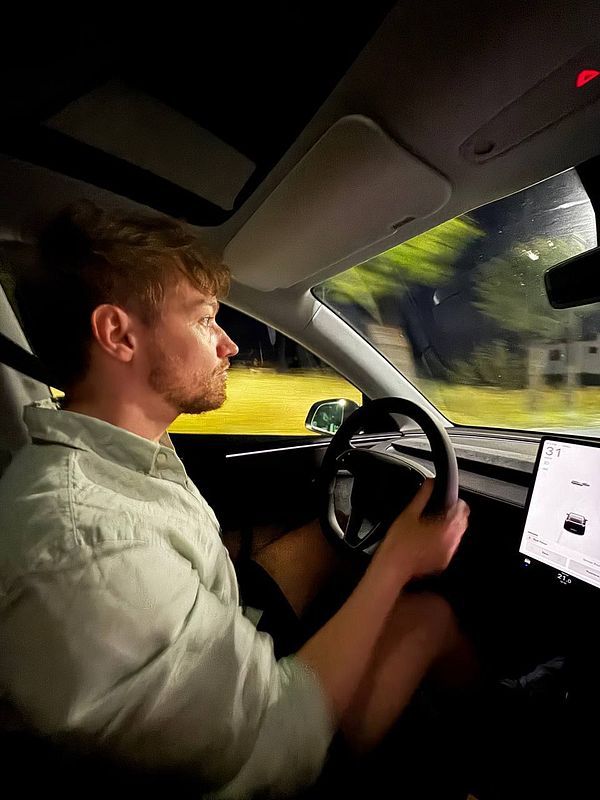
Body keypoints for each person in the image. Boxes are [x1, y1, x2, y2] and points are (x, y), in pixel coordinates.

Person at [0, 201, 473, 798]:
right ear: (118, 334)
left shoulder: (121, 449)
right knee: (430, 616)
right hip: (273, 747)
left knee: (330, 541)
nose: (228, 345)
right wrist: (398, 563)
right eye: (203, 320)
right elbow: (276, 741)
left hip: (225, 624)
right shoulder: (87, 543)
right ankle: (498, 744)